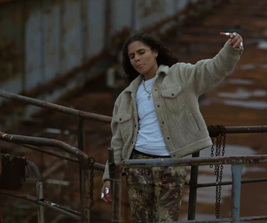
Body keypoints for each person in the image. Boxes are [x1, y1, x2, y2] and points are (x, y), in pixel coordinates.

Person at [101, 32, 243, 222]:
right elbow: (118, 141)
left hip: (170, 164)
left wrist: (231, 49)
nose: (137, 59)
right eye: (132, 56)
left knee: (167, 219)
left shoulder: (180, 75)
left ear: (155, 52)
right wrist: (108, 178)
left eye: (141, 52)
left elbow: (212, 70)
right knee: (141, 219)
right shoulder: (126, 97)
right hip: (137, 165)